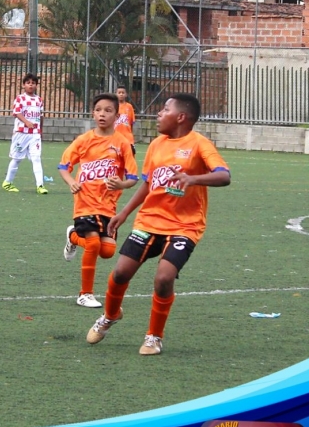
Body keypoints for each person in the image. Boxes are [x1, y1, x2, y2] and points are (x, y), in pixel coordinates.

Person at [86, 93, 231, 355]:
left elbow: (224, 175)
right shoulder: (156, 144)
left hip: (185, 226)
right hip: (150, 221)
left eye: (165, 110)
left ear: (181, 117)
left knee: (164, 278)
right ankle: (110, 316)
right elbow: (148, 183)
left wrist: (193, 179)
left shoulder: (199, 144)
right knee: (120, 273)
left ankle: (154, 336)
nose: (159, 114)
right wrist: (125, 213)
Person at [59, 93, 138, 308]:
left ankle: (73, 237)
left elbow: (132, 178)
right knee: (93, 244)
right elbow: (63, 166)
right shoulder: (84, 140)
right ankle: (85, 293)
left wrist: (121, 184)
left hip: (108, 205)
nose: (102, 114)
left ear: (116, 115)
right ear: (93, 113)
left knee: (107, 252)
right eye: (98, 110)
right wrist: (70, 182)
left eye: (108, 110)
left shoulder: (122, 144)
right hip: (84, 201)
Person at [2, 73, 48, 194]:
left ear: (36, 85)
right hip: (21, 133)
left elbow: (41, 116)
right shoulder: (20, 98)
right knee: (17, 159)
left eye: (33, 83)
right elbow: (17, 113)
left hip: (35, 134)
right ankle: (7, 182)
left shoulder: (39, 100)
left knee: (36, 158)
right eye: (28, 83)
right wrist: (27, 122)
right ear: (24, 85)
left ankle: (40, 185)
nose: (31, 85)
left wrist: (40, 130)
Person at [115, 84, 136, 155]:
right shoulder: (113, 107)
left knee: (130, 155)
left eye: (123, 93)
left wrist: (130, 134)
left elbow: (131, 123)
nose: (121, 94)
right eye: (119, 93)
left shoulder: (129, 107)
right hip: (116, 137)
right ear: (116, 94)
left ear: (126, 94)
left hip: (128, 138)